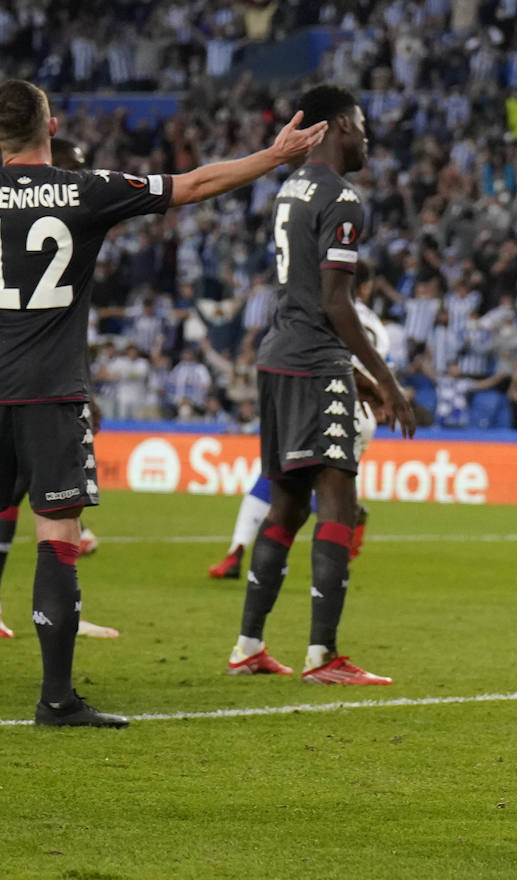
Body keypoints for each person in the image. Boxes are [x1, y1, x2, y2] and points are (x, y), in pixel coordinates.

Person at [0, 78, 326, 726]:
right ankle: (57, 698)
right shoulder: (85, 188)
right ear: (53, 126)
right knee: (57, 536)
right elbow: (193, 184)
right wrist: (273, 156)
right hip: (51, 392)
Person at [226, 85, 415, 686]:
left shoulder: (290, 188)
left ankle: (248, 644)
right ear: (337, 126)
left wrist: (355, 374)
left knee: (284, 503)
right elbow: (336, 302)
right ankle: (323, 655)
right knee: (337, 500)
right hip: (313, 360)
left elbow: (309, 297)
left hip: (280, 357)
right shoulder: (342, 197)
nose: (366, 136)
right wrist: (387, 381)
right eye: (359, 125)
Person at [0, 134, 117, 641]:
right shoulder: (78, 197)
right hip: (46, 387)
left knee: (17, 497)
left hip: (21, 380)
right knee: (53, 517)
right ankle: (57, 688)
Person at [208, 261, 393, 579]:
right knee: (329, 486)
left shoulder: (325, 309)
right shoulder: (379, 327)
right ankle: (339, 542)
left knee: (277, 476)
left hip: (319, 402)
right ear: (365, 288)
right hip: (359, 416)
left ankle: (240, 553)